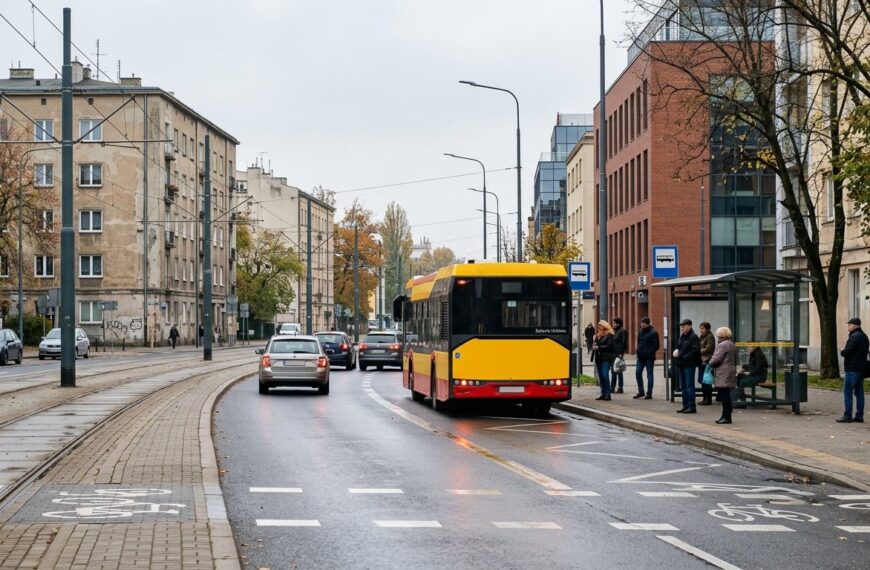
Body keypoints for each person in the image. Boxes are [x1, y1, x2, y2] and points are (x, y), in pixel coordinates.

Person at [838, 317, 868, 423]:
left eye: (850, 325)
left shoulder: (854, 337)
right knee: (859, 392)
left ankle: (847, 415)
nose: (848, 326)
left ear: (856, 325)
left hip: (852, 368)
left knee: (848, 391)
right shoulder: (864, 336)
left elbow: (848, 351)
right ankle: (859, 415)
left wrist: (842, 351)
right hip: (861, 369)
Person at [708, 326, 738, 424]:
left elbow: (716, 358)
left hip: (723, 372)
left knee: (724, 396)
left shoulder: (722, 345)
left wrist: (710, 362)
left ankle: (726, 417)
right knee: (726, 395)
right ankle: (725, 416)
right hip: (729, 371)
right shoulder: (731, 343)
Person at [673, 318, 701, 413]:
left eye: (684, 326)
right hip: (681, 364)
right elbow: (679, 348)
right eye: (681, 327)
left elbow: (695, 351)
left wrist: (683, 356)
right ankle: (685, 405)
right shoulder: (682, 337)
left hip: (689, 365)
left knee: (689, 386)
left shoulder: (693, 337)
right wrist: (677, 352)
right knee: (684, 386)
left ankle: (691, 406)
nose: (682, 328)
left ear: (689, 326)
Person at [634, 316, 659, 399]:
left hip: (649, 358)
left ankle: (649, 393)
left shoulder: (653, 332)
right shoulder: (640, 332)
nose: (642, 325)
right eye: (641, 323)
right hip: (640, 357)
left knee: (649, 375)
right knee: (638, 373)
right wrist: (638, 350)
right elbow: (639, 342)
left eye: (644, 323)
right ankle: (641, 391)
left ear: (648, 324)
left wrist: (649, 352)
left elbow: (656, 346)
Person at [592, 320, 616, 401]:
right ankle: (603, 393)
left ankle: (608, 394)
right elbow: (596, 344)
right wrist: (594, 344)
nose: (599, 327)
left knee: (605, 375)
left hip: (606, 358)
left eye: (600, 326)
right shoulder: (598, 335)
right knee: (601, 377)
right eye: (598, 326)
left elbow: (609, 346)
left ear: (605, 326)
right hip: (599, 358)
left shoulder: (610, 335)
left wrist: (599, 347)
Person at [698, 322, 715, 406]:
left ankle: (708, 399)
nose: (701, 330)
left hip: (707, 361)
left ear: (707, 329)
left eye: (703, 328)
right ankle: (704, 398)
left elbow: (708, 349)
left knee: (706, 382)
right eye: (700, 328)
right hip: (702, 360)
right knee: (702, 381)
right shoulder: (702, 337)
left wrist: (698, 351)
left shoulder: (709, 337)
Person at [611, 317, 627, 394]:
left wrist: (621, 353)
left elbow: (623, 343)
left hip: (618, 354)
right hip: (613, 353)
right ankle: (612, 387)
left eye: (614, 323)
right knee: (613, 371)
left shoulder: (622, 331)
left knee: (619, 371)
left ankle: (620, 388)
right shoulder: (614, 331)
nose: (612, 324)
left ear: (618, 324)